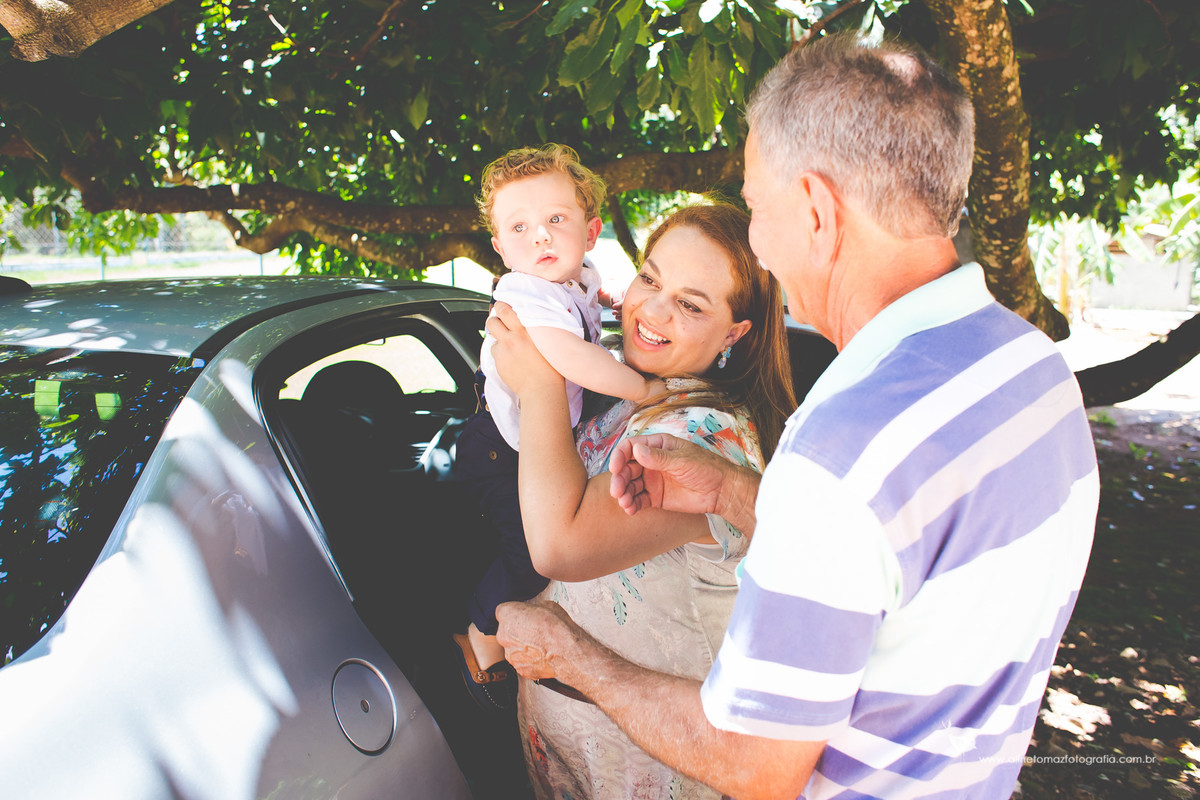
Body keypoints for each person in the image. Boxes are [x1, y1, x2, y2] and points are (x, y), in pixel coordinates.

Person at [494, 33, 1100, 799]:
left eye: (755, 206)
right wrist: (734, 494)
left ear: (815, 210)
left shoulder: (842, 451)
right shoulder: (1031, 366)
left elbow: (753, 763)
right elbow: (897, 563)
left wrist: (566, 652)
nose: (756, 237)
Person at [488, 200, 796, 798]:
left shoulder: (704, 436)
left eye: (689, 304)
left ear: (734, 334)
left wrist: (540, 382)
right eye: (649, 278)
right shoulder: (637, 392)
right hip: (574, 751)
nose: (650, 310)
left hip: (652, 765)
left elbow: (558, 547)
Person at [453, 144, 663, 710]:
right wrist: (642, 388)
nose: (540, 237)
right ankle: (478, 634)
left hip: (533, 441)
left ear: (591, 231)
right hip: (502, 447)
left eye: (556, 220)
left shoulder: (581, 278)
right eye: (519, 227)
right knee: (527, 556)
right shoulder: (523, 292)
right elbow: (567, 355)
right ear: (499, 247)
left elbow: (591, 312)